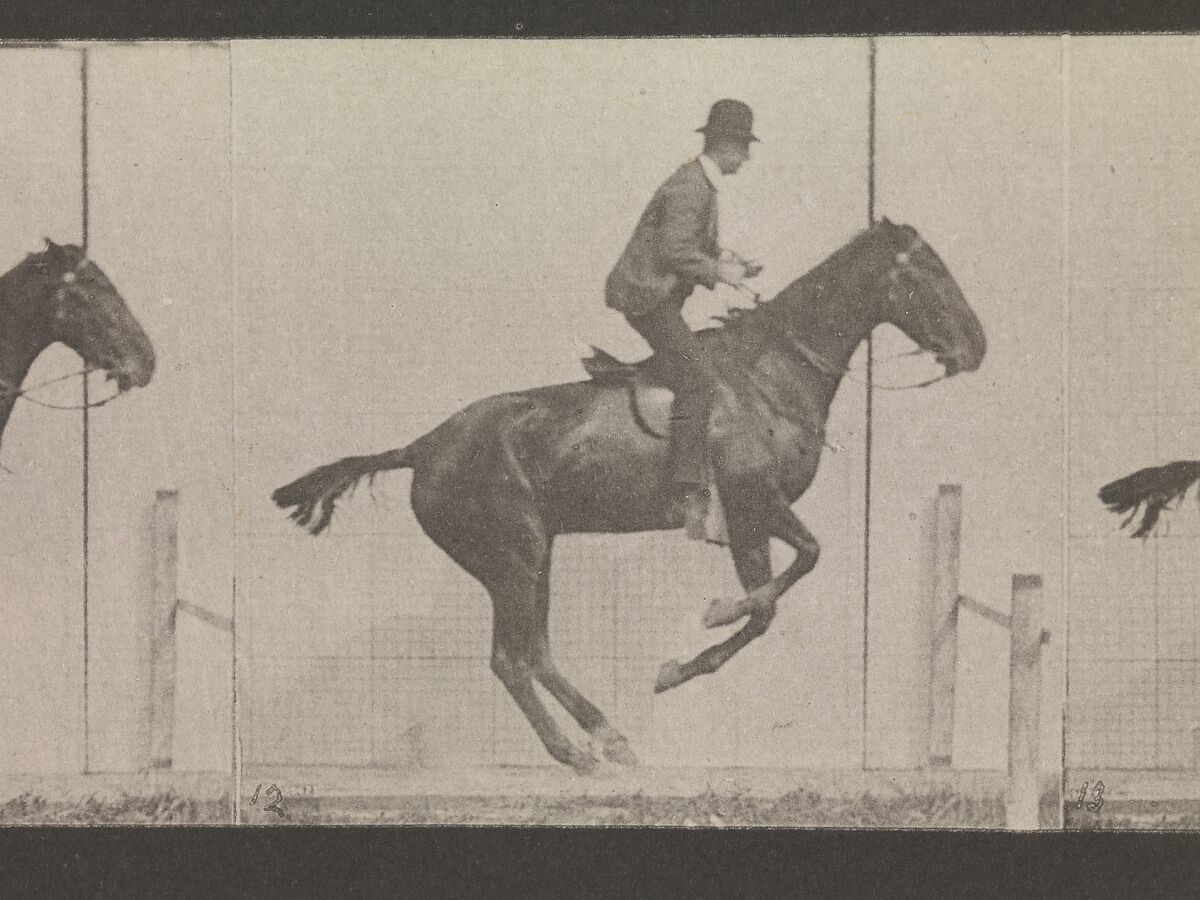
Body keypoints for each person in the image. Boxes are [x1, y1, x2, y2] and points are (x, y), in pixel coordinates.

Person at [605, 98, 763, 539]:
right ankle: (687, 489)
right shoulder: (692, 186)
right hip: (645, 297)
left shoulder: (700, 183)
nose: (746, 159)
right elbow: (674, 251)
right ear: (725, 145)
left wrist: (731, 261)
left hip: (655, 296)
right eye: (743, 148)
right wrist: (722, 275)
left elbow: (690, 241)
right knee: (698, 378)